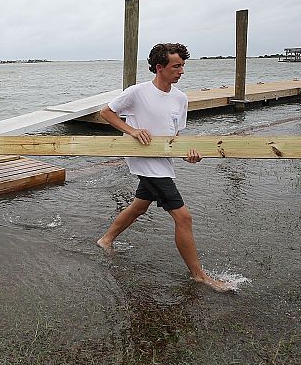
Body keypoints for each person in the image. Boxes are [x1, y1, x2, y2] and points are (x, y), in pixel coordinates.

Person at [96, 43, 232, 292]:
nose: (181, 71)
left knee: (139, 206)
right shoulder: (137, 92)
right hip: (143, 160)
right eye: (176, 66)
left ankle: (106, 240)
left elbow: (176, 138)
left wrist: (189, 155)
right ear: (159, 67)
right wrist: (133, 130)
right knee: (183, 217)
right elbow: (107, 112)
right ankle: (199, 275)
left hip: (163, 161)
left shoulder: (181, 98)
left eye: (182, 66)